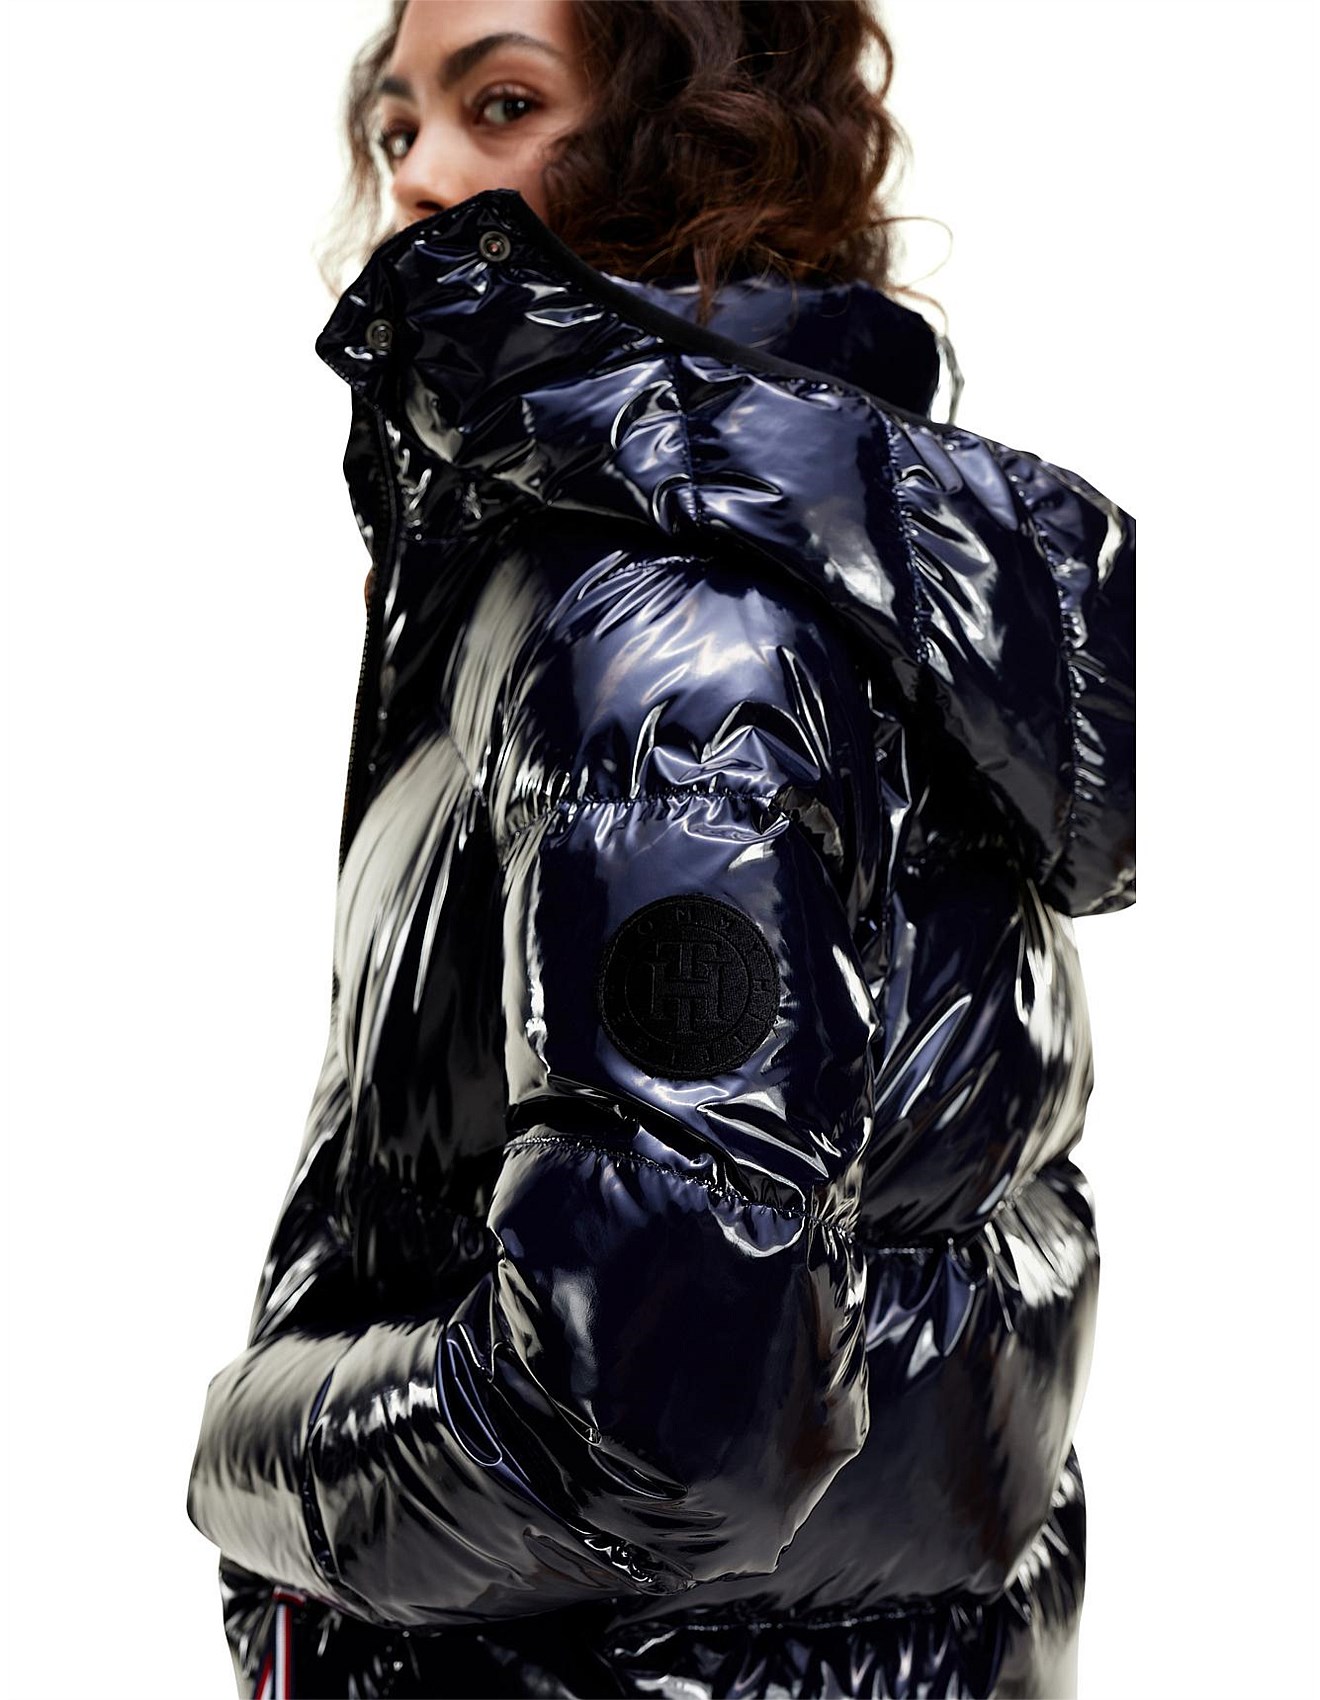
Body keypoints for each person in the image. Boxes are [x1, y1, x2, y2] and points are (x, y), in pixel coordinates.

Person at [185, 2, 1136, 1696]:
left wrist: (244, 1464)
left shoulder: (673, 639)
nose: (419, 173)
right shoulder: (727, 581)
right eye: (397, 124)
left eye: (501, 103)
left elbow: (652, 1436)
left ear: (695, 137)